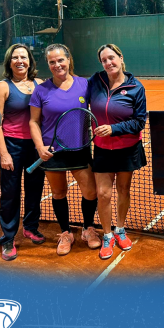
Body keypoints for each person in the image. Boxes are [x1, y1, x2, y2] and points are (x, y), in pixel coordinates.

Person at [29, 43, 100, 255]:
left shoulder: (84, 85)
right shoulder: (41, 90)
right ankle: (66, 232)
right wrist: (39, 146)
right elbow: (34, 121)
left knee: (91, 191)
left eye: (61, 60)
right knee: (59, 192)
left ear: (68, 60)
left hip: (80, 148)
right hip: (52, 151)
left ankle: (88, 229)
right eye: (52, 62)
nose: (57, 64)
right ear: (48, 64)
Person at [89, 44, 147, 260]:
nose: (108, 63)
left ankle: (120, 229)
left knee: (123, 189)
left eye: (111, 58)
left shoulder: (136, 88)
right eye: (104, 60)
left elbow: (139, 122)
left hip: (127, 148)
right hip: (102, 148)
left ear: (121, 58)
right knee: (103, 194)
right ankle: (107, 235)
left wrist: (114, 129)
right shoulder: (95, 81)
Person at [0, 44, 46, 261]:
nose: (20, 61)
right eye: (15, 57)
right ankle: (8, 238)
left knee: (35, 189)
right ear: (9, 62)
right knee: (10, 193)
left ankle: (30, 227)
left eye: (23, 57)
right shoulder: (2, 87)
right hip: (12, 145)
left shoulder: (40, 84)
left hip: (36, 146)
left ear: (30, 61)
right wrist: (4, 153)